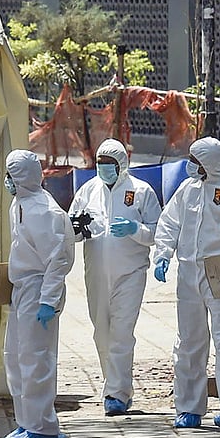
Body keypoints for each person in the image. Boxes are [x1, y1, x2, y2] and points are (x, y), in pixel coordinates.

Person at [153, 136, 220, 431]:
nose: (190, 165)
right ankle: (188, 408)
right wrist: (163, 254)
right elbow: (169, 223)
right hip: (189, 273)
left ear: (209, 162)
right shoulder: (187, 190)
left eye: (195, 160)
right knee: (189, 341)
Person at [69, 138, 162, 416]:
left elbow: (156, 232)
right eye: (100, 163)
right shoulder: (88, 190)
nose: (104, 168)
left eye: (110, 164)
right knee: (101, 333)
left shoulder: (141, 191)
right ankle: (113, 384)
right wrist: (78, 230)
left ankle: (117, 394)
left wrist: (135, 229)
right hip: (96, 273)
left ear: (122, 165)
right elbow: (70, 227)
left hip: (130, 273)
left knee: (121, 333)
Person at [2, 149, 76, 438]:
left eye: (10, 174)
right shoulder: (19, 203)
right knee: (16, 358)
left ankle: (43, 426)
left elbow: (57, 259)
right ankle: (27, 421)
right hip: (22, 288)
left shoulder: (43, 210)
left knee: (37, 359)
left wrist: (48, 299)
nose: (6, 180)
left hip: (38, 289)